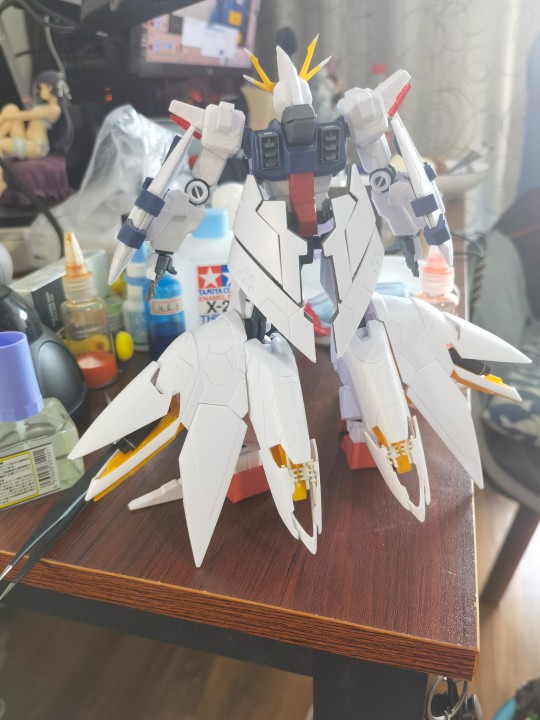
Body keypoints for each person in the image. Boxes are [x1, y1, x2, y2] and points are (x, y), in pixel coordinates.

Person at [0, 70, 73, 195]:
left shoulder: (54, 109)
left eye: (41, 88)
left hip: (36, 148)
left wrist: (4, 117)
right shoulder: (45, 106)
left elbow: (27, 116)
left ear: (50, 88)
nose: (40, 91)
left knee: (8, 119)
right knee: (11, 108)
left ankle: (1, 183)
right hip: (27, 141)